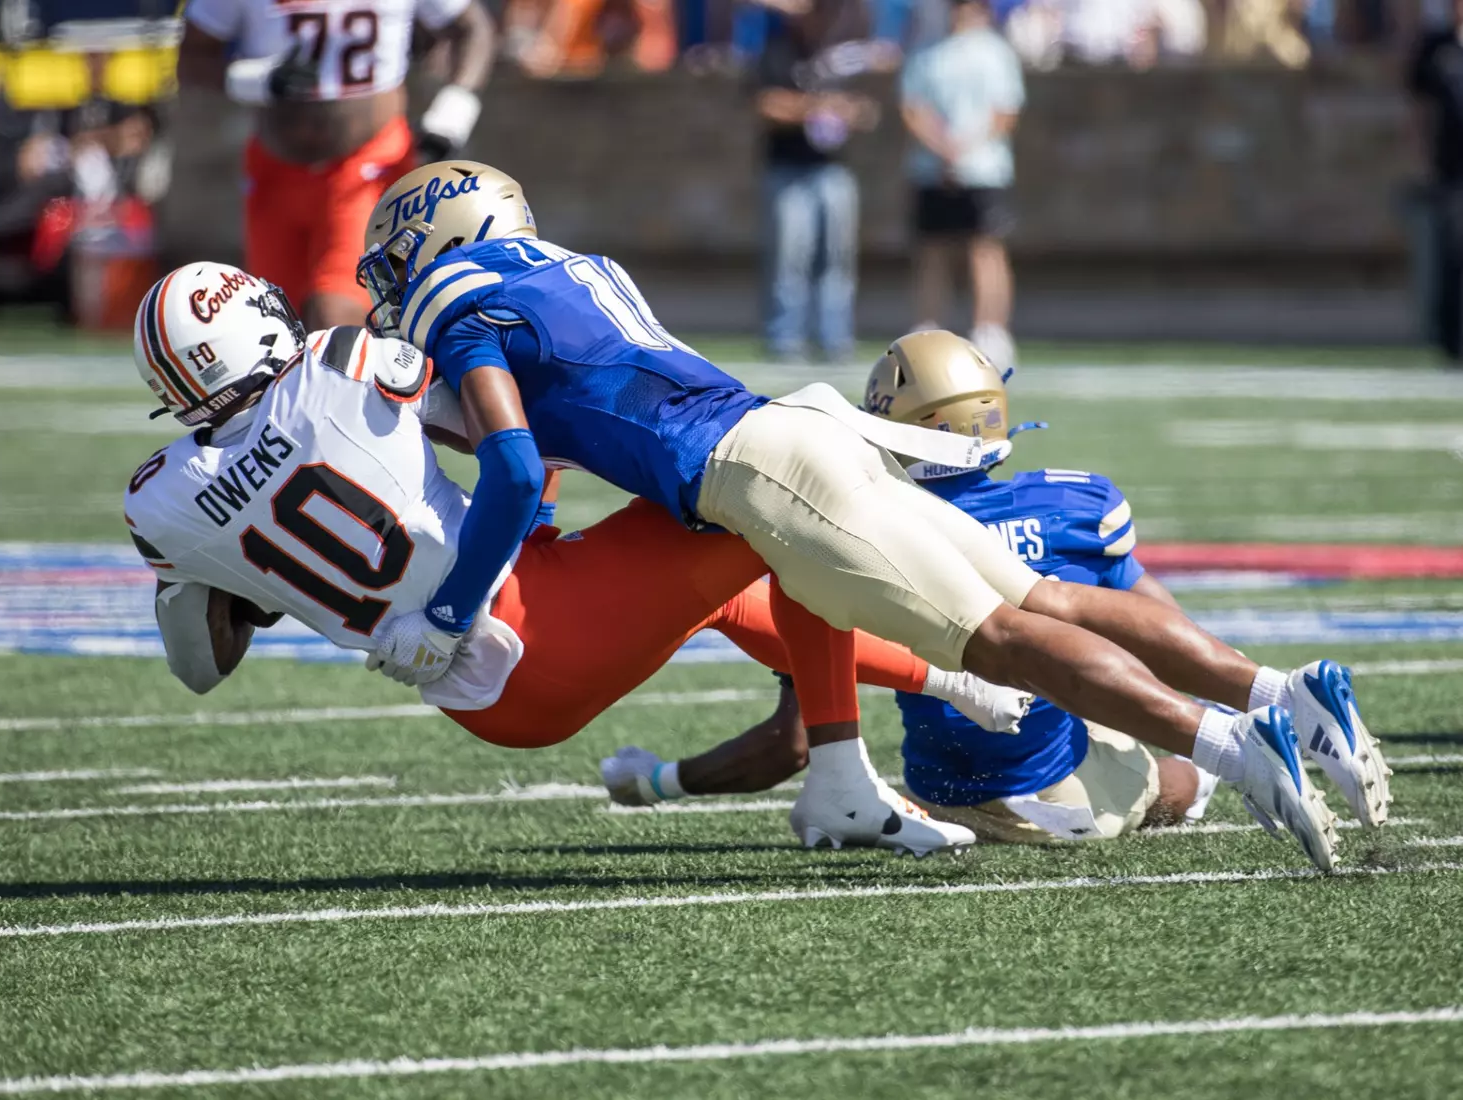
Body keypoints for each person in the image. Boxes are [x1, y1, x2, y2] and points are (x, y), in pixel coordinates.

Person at [354, 160, 1385, 869]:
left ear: (437, 236)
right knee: (1039, 594)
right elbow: (586, 410)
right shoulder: (575, 267)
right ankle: (1285, 692)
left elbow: (513, 460)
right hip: (783, 432)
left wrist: (445, 617)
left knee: (1004, 639)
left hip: (760, 470)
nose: (394, 283)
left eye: (396, 259)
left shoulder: (456, 290)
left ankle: (1234, 746)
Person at [125, 261, 1006, 855]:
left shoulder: (156, 500)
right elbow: (500, 441)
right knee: (768, 508)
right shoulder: (340, 359)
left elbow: (202, 662)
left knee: (707, 585)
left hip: (479, 701)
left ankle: (946, 689)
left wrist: (252, 579)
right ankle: (851, 777)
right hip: (528, 625)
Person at [601, 332, 1242, 842]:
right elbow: (1167, 633)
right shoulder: (1076, 504)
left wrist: (657, 781)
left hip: (942, 796)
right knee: (1170, 774)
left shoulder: (855, 528)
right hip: (1064, 797)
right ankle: (1226, 743)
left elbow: (790, 745)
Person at [174, 0, 497, 332]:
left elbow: (472, 29)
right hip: (275, 170)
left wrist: (455, 108)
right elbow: (191, 57)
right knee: (275, 325)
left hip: (368, 166)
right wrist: (255, 78)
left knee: (337, 315)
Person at [753, 0, 881, 363]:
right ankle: (785, 337)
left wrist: (849, 111)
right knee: (790, 257)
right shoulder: (778, 51)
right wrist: (815, 108)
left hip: (832, 169)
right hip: (787, 169)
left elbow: (868, 110)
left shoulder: (841, 56)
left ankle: (835, 338)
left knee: (838, 259)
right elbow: (766, 104)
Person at [899, 0, 1022, 373]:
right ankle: (927, 331)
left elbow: (1005, 113)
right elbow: (913, 108)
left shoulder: (996, 52)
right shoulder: (926, 52)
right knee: (932, 250)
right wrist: (942, 150)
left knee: (985, 249)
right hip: (932, 169)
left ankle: (990, 332)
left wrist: (964, 151)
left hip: (983, 169)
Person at [1409, 0, 1463, 362]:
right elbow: (1417, 109)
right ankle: (1449, 338)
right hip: (1450, 168)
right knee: (1451, 254)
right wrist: (1420, 159)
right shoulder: (1437, 46)